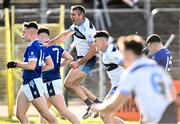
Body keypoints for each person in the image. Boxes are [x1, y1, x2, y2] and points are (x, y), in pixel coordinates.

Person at [91, 36, 177, 123]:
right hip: (170, 112)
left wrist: (98, 107)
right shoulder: (152, 65)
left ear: (129, 52)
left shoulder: (133, 72)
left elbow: (116, 101)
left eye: (123, 52)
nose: (122, 56)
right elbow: (172, 91)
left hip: (157, 117)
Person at [47, 5, 101, 119]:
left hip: (88, 59)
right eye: (71, 14)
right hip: (85, 59)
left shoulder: (87, 29)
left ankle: (91, 105)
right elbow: (64, 35)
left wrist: (78, 62)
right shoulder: (77, 24)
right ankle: (97, 103)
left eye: (73, 14)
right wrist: (50, 43)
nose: (71, 16)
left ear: (81, 15)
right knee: (74, 85)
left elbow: (93, 50)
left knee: (68, 84)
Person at [7, 22, 58, 123]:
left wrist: (15, 64)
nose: (22, 35)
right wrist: (36, 68)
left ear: (30, 33)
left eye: (24, 32)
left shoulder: (32, 46)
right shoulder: (41, 45)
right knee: (20, 114)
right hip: (27, 83)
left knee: (45, 114)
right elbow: (50, 65)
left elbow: (31, 66)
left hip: (32, 83)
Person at [37, 27, 80, 124]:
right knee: (44, 112)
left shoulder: (42, 47)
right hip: (52, 80)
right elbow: (70, 58)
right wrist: (59, 65)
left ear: (41, 36)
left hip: (50, 81)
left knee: (63, 111)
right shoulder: (57, 47)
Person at [94, 31, 125, 124]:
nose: (94, 44)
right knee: (104, 115)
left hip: (121, 86)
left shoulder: (110, 54)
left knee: (106, 114)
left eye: (96, 41)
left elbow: (126, 64)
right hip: (117, 86)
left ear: (103, 41)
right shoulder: (107, 52)